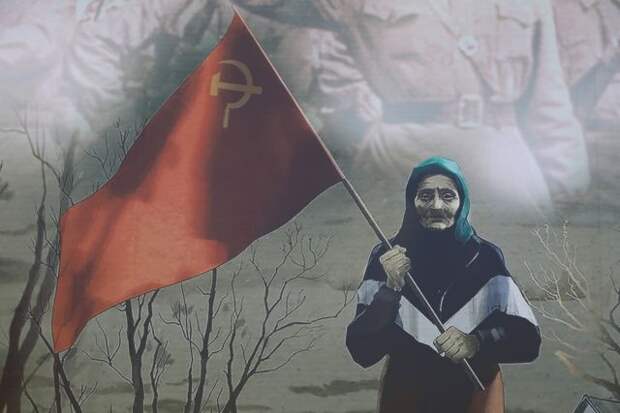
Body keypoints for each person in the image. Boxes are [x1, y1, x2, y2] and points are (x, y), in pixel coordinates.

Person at [234, 0, 590, 217]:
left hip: (504, 157)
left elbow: (548, 97)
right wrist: (362, 131)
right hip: (397, 154)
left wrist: (564, 184)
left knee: (507, 279)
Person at [346, 157, 541, 412]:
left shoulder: (486, 258)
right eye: (426, 196)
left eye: (448, 196)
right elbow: (361, 350)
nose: (436, 206)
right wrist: (390, 290)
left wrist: (476, 342)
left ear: (462, 203)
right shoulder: (386, 257)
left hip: (476, 395)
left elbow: (528, 340)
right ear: (411, 201)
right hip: (407, 396)